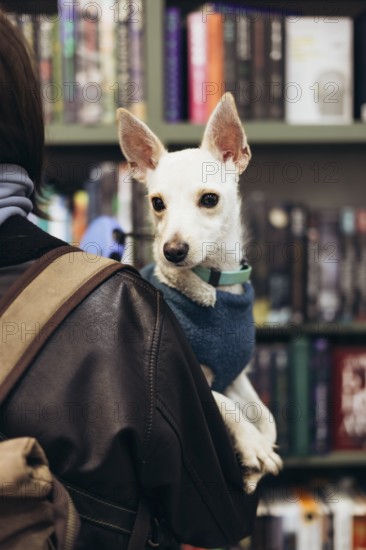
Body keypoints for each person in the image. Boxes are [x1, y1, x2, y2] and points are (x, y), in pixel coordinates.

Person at [0, 12, 258, 549]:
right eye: (160, 205)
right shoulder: (121, 309)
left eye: (206, 201)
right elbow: (216, 516)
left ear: (236, 155)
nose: (175, 236)